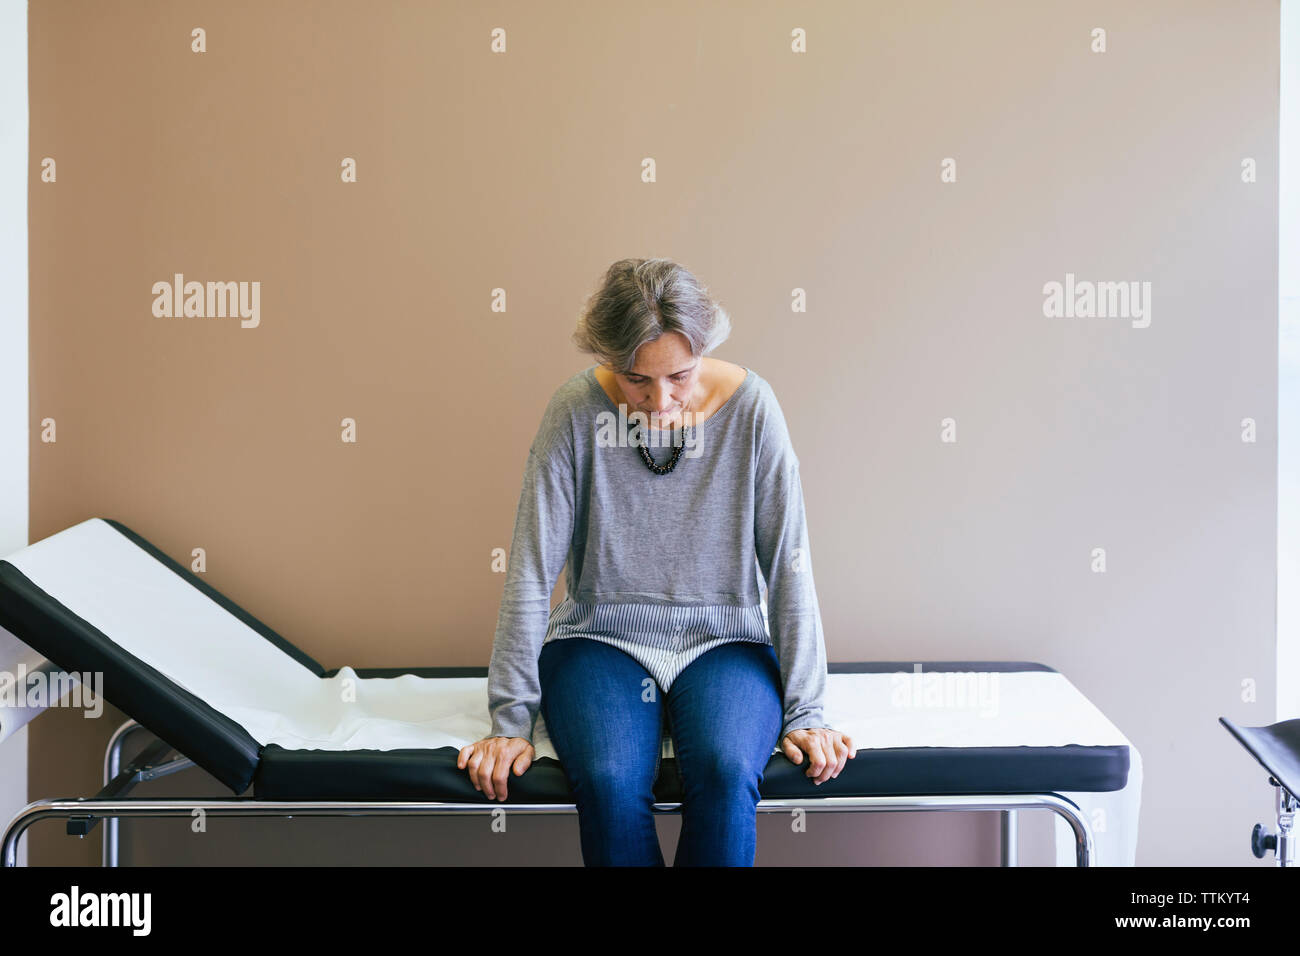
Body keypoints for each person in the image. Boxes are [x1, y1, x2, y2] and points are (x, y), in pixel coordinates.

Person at [457, 257, 854, 865]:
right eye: (636, 380)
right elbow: (533, 569)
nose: (659, 401)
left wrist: (808, 710)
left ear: (704, 350)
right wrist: (509, 721)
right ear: (608, 360)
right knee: (612, 780)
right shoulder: (574, 410)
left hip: (725, 640)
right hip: (599, 639)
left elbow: (789, 566)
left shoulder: (753, 411)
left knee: (724, 773)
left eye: (679, 376)